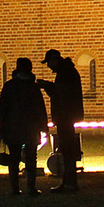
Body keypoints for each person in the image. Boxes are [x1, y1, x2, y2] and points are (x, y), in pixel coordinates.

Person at [0, 56, 48, 196]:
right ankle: (31, 187)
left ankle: (15, 188)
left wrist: (2, 126)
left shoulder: (9, 86)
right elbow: (39, 108)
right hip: (31, 127)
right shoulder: (33, 87)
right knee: (31, 158)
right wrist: (44, 126)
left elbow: (3, 108)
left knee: (14, 158)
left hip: (13, 127)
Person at [38, 48, 84, 192]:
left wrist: (47, 86)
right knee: (66, 150)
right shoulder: (67, 71)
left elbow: (61, 93)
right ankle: (68, 182)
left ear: (55, 60)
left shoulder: (66, 73)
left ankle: (69, 183)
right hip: (66, 116)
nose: (48, 66)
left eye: (49, 63)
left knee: (68, 150)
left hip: (66, 116)